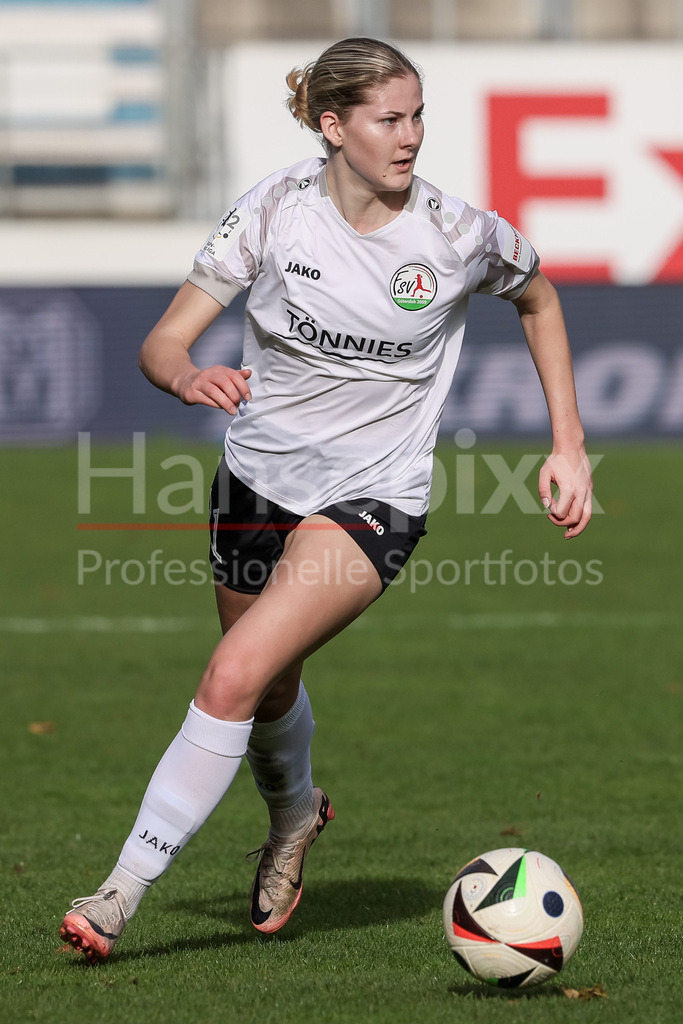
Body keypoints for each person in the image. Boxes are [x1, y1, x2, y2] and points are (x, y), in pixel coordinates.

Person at [60, 37, 592, 963]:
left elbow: (539, 297)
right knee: (266, 691)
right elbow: (161, 343)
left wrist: (568, 444)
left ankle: (118, 893)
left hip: (374, 498)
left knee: (231, 674)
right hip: (256, 480)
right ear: (332, 125)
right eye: (389, 119)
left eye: (418, 114)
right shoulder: (273, 212)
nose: (411, 136)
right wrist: (186, 376)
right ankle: (296, 814)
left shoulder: (459, 234)